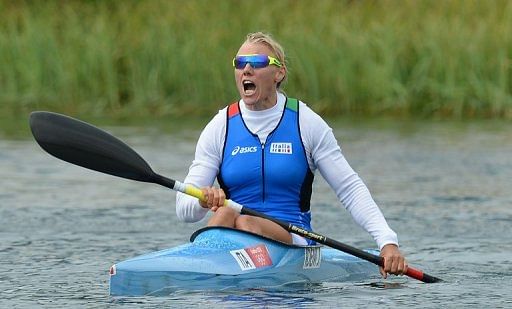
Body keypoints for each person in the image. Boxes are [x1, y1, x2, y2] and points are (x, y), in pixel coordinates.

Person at [176, 32, 407, 278]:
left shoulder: (305, 123)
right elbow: (184, 210)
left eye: (257, 63)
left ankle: (208, 275)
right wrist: (202, 199)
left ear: (280, 73)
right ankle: (205, 270)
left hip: (292, 241)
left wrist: (387, 241)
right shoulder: (220, 126)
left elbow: (349, 188)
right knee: (227, 213)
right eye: (240, 63)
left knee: (240, 219)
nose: (246, 70)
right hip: (231, 234)